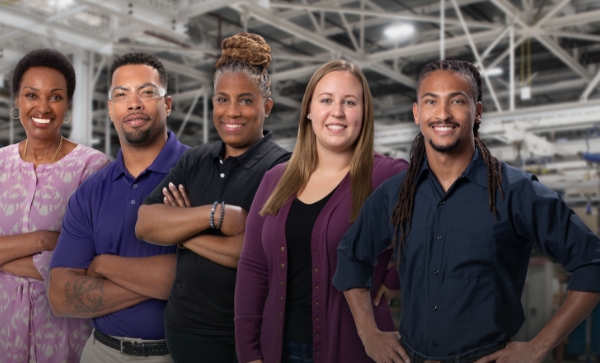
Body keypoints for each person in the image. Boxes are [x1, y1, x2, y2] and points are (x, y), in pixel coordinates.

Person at [335, 60, 600, 363]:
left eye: (457, 101)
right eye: (431, 101)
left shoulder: (517, 192)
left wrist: (539, 346)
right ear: (417, 113)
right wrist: (368, 334)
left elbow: (592, 262)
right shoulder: (395, 194)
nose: (443, 113)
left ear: (478, 112)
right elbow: (351, 255)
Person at [235, 60, 407, 363]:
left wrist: (395, 277)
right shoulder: (275, 180)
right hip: (277, 350)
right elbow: (253, 268)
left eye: (350, 102)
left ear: (364, 112)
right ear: (309, 110)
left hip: (356, 350)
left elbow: (441, 232)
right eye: (326, 100)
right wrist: (248, 352)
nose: (337, 112)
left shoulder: (387, 175)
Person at [135, 32, 291, 363]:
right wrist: (215, 216)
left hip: (244, 338)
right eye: (222, 99)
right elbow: (145, 223)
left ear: (267, 106)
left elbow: (252, 253)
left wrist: (181, 231)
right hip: (182, 329)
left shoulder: (282, 168)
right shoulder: (195, 159)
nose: (231, 112)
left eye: (246, 100)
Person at [0, 48, 108, 362]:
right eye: (31, 94)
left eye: (56, 97)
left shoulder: (93, 168)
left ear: (67, 105)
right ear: (17, 101)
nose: (43, 107)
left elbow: (91, 263)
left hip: (63, 337)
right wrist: (44, 241)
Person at [47, 52, 188, 363]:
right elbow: (60, 296)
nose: (133, 103)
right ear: (111, 109)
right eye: (121, 94)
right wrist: (161, 282)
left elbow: (208, 279)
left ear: (167, 104)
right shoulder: (90, 192)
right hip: (102, 352)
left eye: (147, 92)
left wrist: (103, 266)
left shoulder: (201, 172)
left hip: (178, 354)